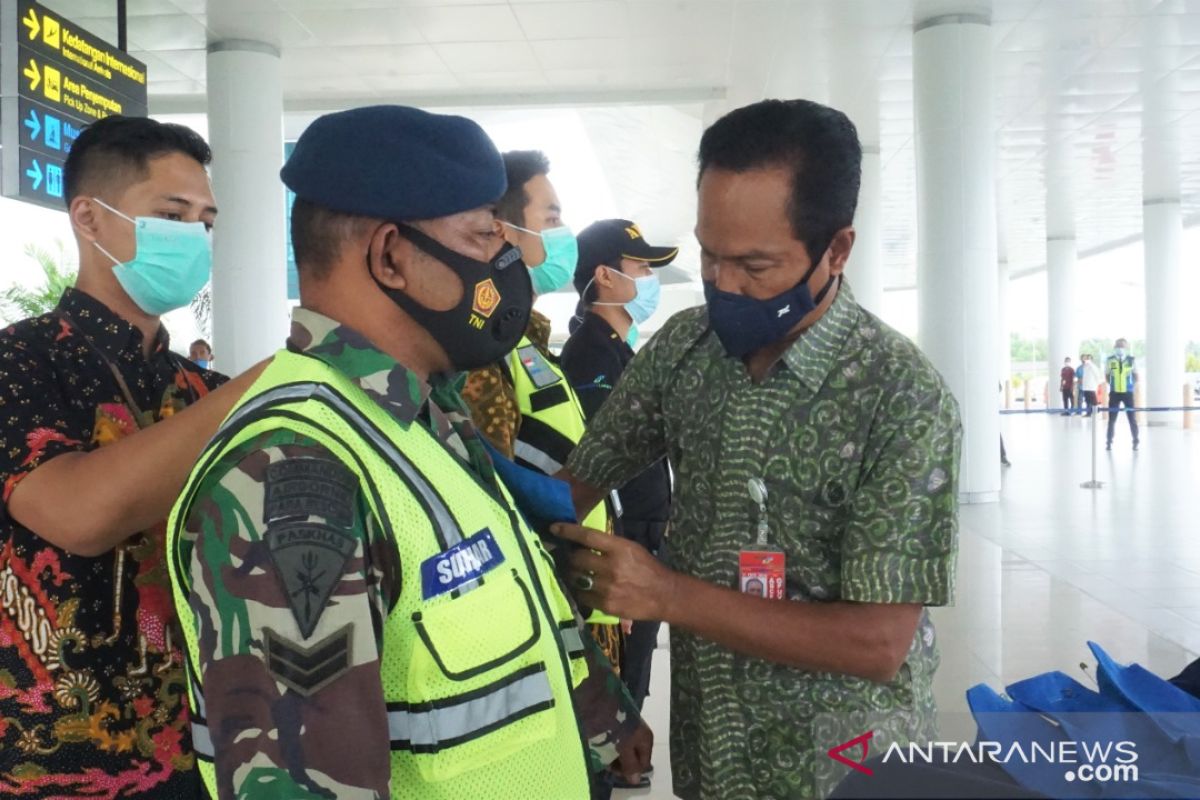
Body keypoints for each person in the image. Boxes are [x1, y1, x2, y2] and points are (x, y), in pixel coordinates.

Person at [166, 105, 649, 800]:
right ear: (391, 255)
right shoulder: (292, 469)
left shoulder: (423, 415)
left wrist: (601, 719)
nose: (504, 264)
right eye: (484, 235)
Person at [554, 99, 962, 799]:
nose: (723, 286)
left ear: (836, 250)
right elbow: (570, 493)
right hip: (712, 763)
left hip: (849, 772)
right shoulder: (685, 350)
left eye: (755, 265)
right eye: (711, 256)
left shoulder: (900, 397)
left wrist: (668, 595)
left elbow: (876, 643)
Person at [0, 115, 264, 796]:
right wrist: (269, 381)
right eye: (172, 215)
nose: (195, 238)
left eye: (205, 220)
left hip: (200, 748)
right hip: (50, 761)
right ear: (89, 217)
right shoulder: (20, 362)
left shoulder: (198, 386)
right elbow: (78, 513)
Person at [459, 151, 621, 663]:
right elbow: (495, 506)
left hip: (585, 598)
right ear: (502, 231)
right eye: (550, 219)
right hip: (550, 617)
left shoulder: (526, 346)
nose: (562, 233)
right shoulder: (483, 356)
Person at [559, 218, 677, 789]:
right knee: (623, 663)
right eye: (642, 268)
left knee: (639, 660)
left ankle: (624, 751)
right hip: (624, 534)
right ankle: (614, 757)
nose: (650, 279)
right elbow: (597, 461)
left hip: (647, 531)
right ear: (605, 276)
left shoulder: (619, 349)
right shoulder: (588, 354)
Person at [1106, 338, 1139, 450]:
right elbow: (1107, 375)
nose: (1120, 348)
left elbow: (1136, 375)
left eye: (1122, 346)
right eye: (1118, 346)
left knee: (1132, 418)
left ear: (1126, 347)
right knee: (1111, 419)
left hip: (1127, 393)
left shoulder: (1131, 360)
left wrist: (1130, 385)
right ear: (1115, 347)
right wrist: (1112, 385)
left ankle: (1135, 441)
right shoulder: (1110, 360)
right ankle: (1109, 441)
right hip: (1114, 393)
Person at [1080, 353, 1103, 417]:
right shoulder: (1085, 366)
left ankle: (1096, 411)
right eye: (1086, 358)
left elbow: (1097, 375)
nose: (1087, 359)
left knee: (1093, 400)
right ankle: (1089, 413)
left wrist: (1098, 383)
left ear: (1092, 360)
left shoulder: (1093, 366)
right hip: (1085, 387)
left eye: (1089, 358)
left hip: (1091, 386)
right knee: (1087, 401)